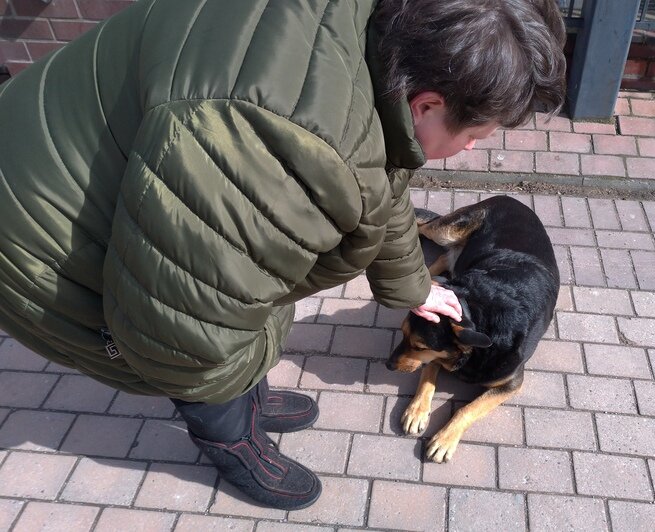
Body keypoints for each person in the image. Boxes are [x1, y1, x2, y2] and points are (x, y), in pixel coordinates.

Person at [0, 0, 565, 510]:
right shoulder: (277, 148)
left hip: (63, 150)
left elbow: (380, 174)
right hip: (35, 238)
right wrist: (244, 357)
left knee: (242, 303)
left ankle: (250, 397)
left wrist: (416, 286)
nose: (469, 150)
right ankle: (233, 439)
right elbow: (182, 330)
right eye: (477, 136)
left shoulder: (373, 40)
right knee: (207, 347)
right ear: (430, 103)